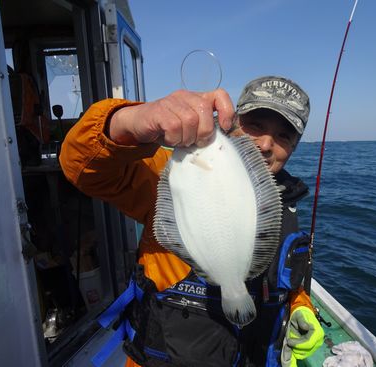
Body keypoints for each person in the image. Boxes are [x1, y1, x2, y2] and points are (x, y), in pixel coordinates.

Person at [60, 75, 324, 367]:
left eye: (283, 136)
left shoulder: (286, 203)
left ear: (295, 147)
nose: (264, 144)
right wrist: (129, 121)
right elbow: (81, 166)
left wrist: (301, 306)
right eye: (255, 125)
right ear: (232, 121)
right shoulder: (169, 173)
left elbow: (284, 283)